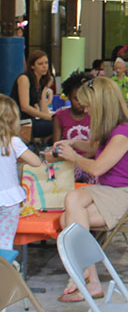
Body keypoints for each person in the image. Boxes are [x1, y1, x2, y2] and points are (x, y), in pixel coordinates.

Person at [54, 77, 128, 302]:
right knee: (67, 217)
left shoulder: (123, 133)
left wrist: (74, 157)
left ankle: (83, 277)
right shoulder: (115, 129)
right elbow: (94, 149)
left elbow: (97, 168)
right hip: (113, 192)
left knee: (68, 216)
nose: (85, 109)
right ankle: (90, 280)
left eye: (88, 105)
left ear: (101, 105)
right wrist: (75, 143)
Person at [0, 95, 43, 250]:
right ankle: (5, 269)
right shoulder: (13, 141)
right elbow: (36, 162)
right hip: (9, 199)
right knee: (5, 241)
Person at [52, 70, 95, 184]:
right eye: (76, 99)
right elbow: (57, 146)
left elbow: (98, 147)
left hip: (90, 162)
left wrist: (80, 158)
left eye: (83, 98)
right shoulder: (60, 116)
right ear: (69, 98)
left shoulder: (93, 115)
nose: (80, 103)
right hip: (68, 162)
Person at [10, 49, 54, 140]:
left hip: (31, 120)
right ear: (32, 66)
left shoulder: (42, 81)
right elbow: (24, 107)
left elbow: (43, 106)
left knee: (59, 123)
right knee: (55, 126)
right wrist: (47, 117)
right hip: (20, 121)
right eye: (40, 64)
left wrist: (52, 117)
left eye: (46, 63)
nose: (44, 66)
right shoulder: (24, 79)